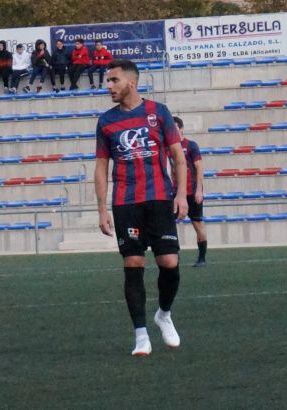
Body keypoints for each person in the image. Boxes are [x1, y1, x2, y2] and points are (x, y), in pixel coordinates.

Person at [94, 59, 188, 357]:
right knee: (133, 264)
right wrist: (102, 209)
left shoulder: (158, 112)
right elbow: (101, 167)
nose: (109, 86)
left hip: (159, 198)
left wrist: (181, 194)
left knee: (169, 263)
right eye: (108, 81)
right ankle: (141, 335)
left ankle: (164, 314)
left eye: (114, 80)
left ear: (131, 83)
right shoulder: (106, 121)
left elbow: (178, 157)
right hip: (126, 202)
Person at [172, 116, 207, 267]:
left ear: (181, 129)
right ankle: (174, 255)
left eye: (175, 128)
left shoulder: (191, 145)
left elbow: (199, 167)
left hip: (192, 191)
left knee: (197, 223)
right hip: (176, 192)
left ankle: (202, 257)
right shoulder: (169, 147)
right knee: (169, 224)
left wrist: (199, 190)